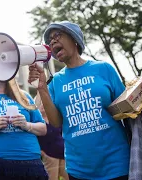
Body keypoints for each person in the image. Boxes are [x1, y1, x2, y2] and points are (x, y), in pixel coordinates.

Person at [28, 21, 130, 180]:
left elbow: (126, 109)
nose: (53, 41)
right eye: (50, 40)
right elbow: (55, 122)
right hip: (79, 170)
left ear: (74, 39)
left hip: (117, 164)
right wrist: (42, 87)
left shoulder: (104, 69)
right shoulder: (56, 82)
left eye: (57, 35)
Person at [35, 93, 69, 180]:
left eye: (44, 104)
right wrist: (41, 152)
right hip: (49, 155)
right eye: (41, 104)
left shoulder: (54, 118)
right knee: (52, 178)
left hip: (62, 153)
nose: (43, 106)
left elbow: (63, 133)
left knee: (68, 176)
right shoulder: (37, 122)